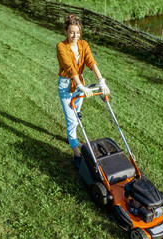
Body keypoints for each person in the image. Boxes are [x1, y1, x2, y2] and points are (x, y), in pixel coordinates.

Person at [56, 14, 110, 167]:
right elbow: (69, 67)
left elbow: (90, 61)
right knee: (72, 120)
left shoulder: (83, 44)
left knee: (76, 118)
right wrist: (80, 86)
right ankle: (77, 155)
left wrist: (101, 80)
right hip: (67, 85)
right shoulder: (61, 46)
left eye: (78, 32)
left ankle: (73, 139)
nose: (75, 35)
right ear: (66, 31)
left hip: (80, 84)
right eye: (72, 32)